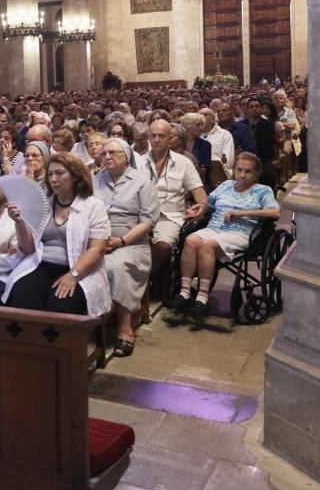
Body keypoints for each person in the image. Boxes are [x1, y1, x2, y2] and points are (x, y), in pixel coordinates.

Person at [169, 152, 280, 317]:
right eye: (239, 170)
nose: (242, 174)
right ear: (234, 170)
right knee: (191, 240)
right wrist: (199, 208)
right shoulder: (226, 185)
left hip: (240, 232)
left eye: (247, 171)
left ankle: (202, 297)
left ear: (256, 174)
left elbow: (275, 212)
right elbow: (209, 204)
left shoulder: (262, 191)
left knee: (208, 245)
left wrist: (240, 214)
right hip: (214, 227)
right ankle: (184, 292)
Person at [5, 153, 112, 317]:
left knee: (60, 306)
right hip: (41, 264)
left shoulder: (93, 206)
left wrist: (73, 275)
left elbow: (96, 249)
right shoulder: (43, 204)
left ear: (75, 176)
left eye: (60, 173)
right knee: (23, 296)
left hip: (78, 268)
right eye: (50, 174)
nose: (54, 179)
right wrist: (19, 222)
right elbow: (27, 249)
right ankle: (27, 341)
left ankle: (58, 343)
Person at [93, 139, 160, 356]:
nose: (107, 157)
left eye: (113, 153)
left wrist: (121, 241)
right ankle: (90, 320)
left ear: (126, 156)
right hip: (98, 239)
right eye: (103, 154)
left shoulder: (141, 182)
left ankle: (125, 327)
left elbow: (148, 221)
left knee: (116, 266)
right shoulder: (95, 180)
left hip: (132, 241)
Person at [144, 119, 209, 298]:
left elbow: (198, 190)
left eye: (161, 136)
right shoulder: (138, 162)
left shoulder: (183, 162)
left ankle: (138, 281)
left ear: (169, 138)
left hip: (169, 216)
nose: (157, 140)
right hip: (142, 215)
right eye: (153, 136)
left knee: (163, 245)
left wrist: (202, 206)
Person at [245, 97, 277, 188]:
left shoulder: (268, 125)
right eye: (251, 107)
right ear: (247, 109)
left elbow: (269, 143)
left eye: (257, 106)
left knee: (267, 175)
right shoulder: (242, 125)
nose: (254, 108)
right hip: (245, 158)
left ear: (261, 109)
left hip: (263, 158)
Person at [199, 108, 235, 186]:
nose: (200, 117)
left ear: (212, 119)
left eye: (204, 114)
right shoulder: (196, 135)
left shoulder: (224, 134)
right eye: (199, 114)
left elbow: (228, 160)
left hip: (219, 174)